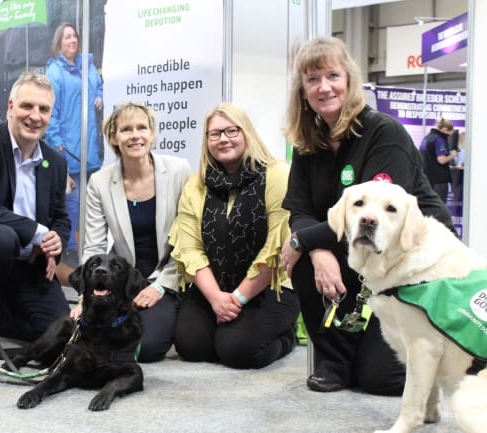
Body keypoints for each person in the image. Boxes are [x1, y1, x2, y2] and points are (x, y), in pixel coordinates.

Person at [281, 36, 453, 395]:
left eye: (332, 75)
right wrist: (315, 250)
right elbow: (299, 209)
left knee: (381, 381)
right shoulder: (307, 143)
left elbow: (376, 218)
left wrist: (305, 239)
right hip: (354, 253)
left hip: (407, 261)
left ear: (350, 80)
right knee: (302, 260)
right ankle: (334, 360)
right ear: (303, 90)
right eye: (312, 80)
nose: (323, 87)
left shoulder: (382, 132)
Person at [169, 102, 300, 369]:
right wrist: (217, 298)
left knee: (237, 351)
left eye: (232, 131)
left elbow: (273, 250)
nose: (224, 139)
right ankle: (227, 325)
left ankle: (287, 338)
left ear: (247, 133)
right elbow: (190, 248)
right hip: (213, 287)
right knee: (191, 346)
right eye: (215, 134)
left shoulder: (278, 175)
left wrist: (238, 298)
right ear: (207, 141)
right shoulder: (195, 185)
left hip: (270, 287)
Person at [0, 71, 71, 342]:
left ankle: (0, 318)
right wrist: (39, 233)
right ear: (10, 107)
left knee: (59, 336)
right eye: (27, 106)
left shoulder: (55, 162)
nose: (35, 116)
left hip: (31, 266)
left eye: (44, 109)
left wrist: (56, 241)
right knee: (2, 237)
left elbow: (61, 217)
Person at [75, 100, 192, 363]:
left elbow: (188, 239)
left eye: (142, 127)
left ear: (152, 133)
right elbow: (93, 248)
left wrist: (160, 287)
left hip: (169, 275)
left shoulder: (178, 170)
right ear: (114, 137)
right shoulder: (100, 182)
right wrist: (86, 295)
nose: (136, 135)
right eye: (126, 129)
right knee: (83, 333)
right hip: (124, 282)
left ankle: (176, 310)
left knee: (146, 348)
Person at [44, 22, 104, 270]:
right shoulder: (55, 73)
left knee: (91, 206)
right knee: (71, 204)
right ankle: (68, 256)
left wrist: (100, 93)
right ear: (59, 43)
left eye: (75, 36)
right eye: (67, 37)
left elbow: (99, 85)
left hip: (89, 150)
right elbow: (51, 113)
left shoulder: (88, 66)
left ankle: (88, 253)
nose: (72, 40)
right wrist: (56, 143)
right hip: (67, 151)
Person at [419, 118, 456, 203]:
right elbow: (441, 160)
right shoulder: (440, 140)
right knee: (440, 207)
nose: (450, 136)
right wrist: (453, 155)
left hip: (427, 179)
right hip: (439, 180)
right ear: (445, 129)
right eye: (450, 134)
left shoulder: (427, 138)